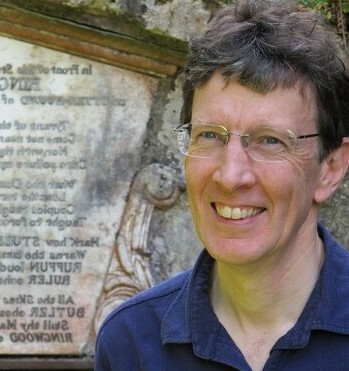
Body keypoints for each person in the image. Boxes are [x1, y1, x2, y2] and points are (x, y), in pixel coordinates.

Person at [95, 0, 349, 369]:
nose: (231, 176)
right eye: (210, 135)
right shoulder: (132, 342)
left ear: (330, 168)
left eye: (270, 141)